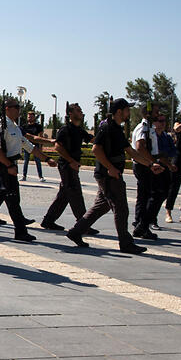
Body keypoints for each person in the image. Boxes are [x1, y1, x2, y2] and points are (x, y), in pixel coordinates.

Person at [67, 98, 160, 253]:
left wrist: (150, 165)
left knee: (100, 207)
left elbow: (130, 152)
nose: (129, 112)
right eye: (127, 110)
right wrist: (110, 168)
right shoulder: (107, 128)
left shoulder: (117, 128)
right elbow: (96, 149)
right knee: (121, 209)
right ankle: (125, 243)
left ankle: (76, 232)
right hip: (109, 175)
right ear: (119, 112)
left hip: (110, 174)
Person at [0, 99, 56, 242]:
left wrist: (46, 159)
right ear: (7, 109)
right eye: (16, 107)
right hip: (5, 165)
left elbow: (28, 145)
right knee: (12, 198)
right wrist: (9, 166)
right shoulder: (1, 126)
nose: (19, 109)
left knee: (4, 195)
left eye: (18, 107)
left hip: (10, 164)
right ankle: (19, 231)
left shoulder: (14, 127)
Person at [41, 102, 97, 232]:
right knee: (75, 193)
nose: (81, 112)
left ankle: (48, 220)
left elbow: (94, 139)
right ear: (70, 114)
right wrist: (71, 161)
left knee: (64, 195)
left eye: (81, 110)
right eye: (78, 110)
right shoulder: (65, 130)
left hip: (72, 165)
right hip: (67, 165)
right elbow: (58, 146)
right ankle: (83, 225)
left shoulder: (79, 130)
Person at [130, 106, 165, 240]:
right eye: (156, 112)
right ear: (148, 114)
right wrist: (152, 162)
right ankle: (142, 225)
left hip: (146, 165)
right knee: (156, 194)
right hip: (144, 166)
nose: (158, 114)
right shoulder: (143, 127)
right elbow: (140, 147)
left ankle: (140, 225)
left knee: (144, 196)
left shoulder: (149, 127)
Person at [151, 115, 177, 230]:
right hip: (156, 167)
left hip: (166, 167)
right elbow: (158, 154)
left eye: (164, 121)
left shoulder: (167, 137)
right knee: (155, 194)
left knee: (165, 193)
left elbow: (173, 151)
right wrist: (167, 162)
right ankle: (151, 220)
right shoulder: (152, 136)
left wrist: (167, 160)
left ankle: (151, 217)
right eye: (160, 121)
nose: (163, 123)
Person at [21, 111, 45, 181]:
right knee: (26, 161)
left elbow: (41, 137)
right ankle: (24, 176)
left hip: (36, 146)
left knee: (38, 161)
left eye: (31, 116)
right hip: (26, 145)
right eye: (28, 116)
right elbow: (22, 137)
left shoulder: (38, 126)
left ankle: (40, 176)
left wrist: (40, 147)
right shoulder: (24, 126)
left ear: (34, 117)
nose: (30, 118)